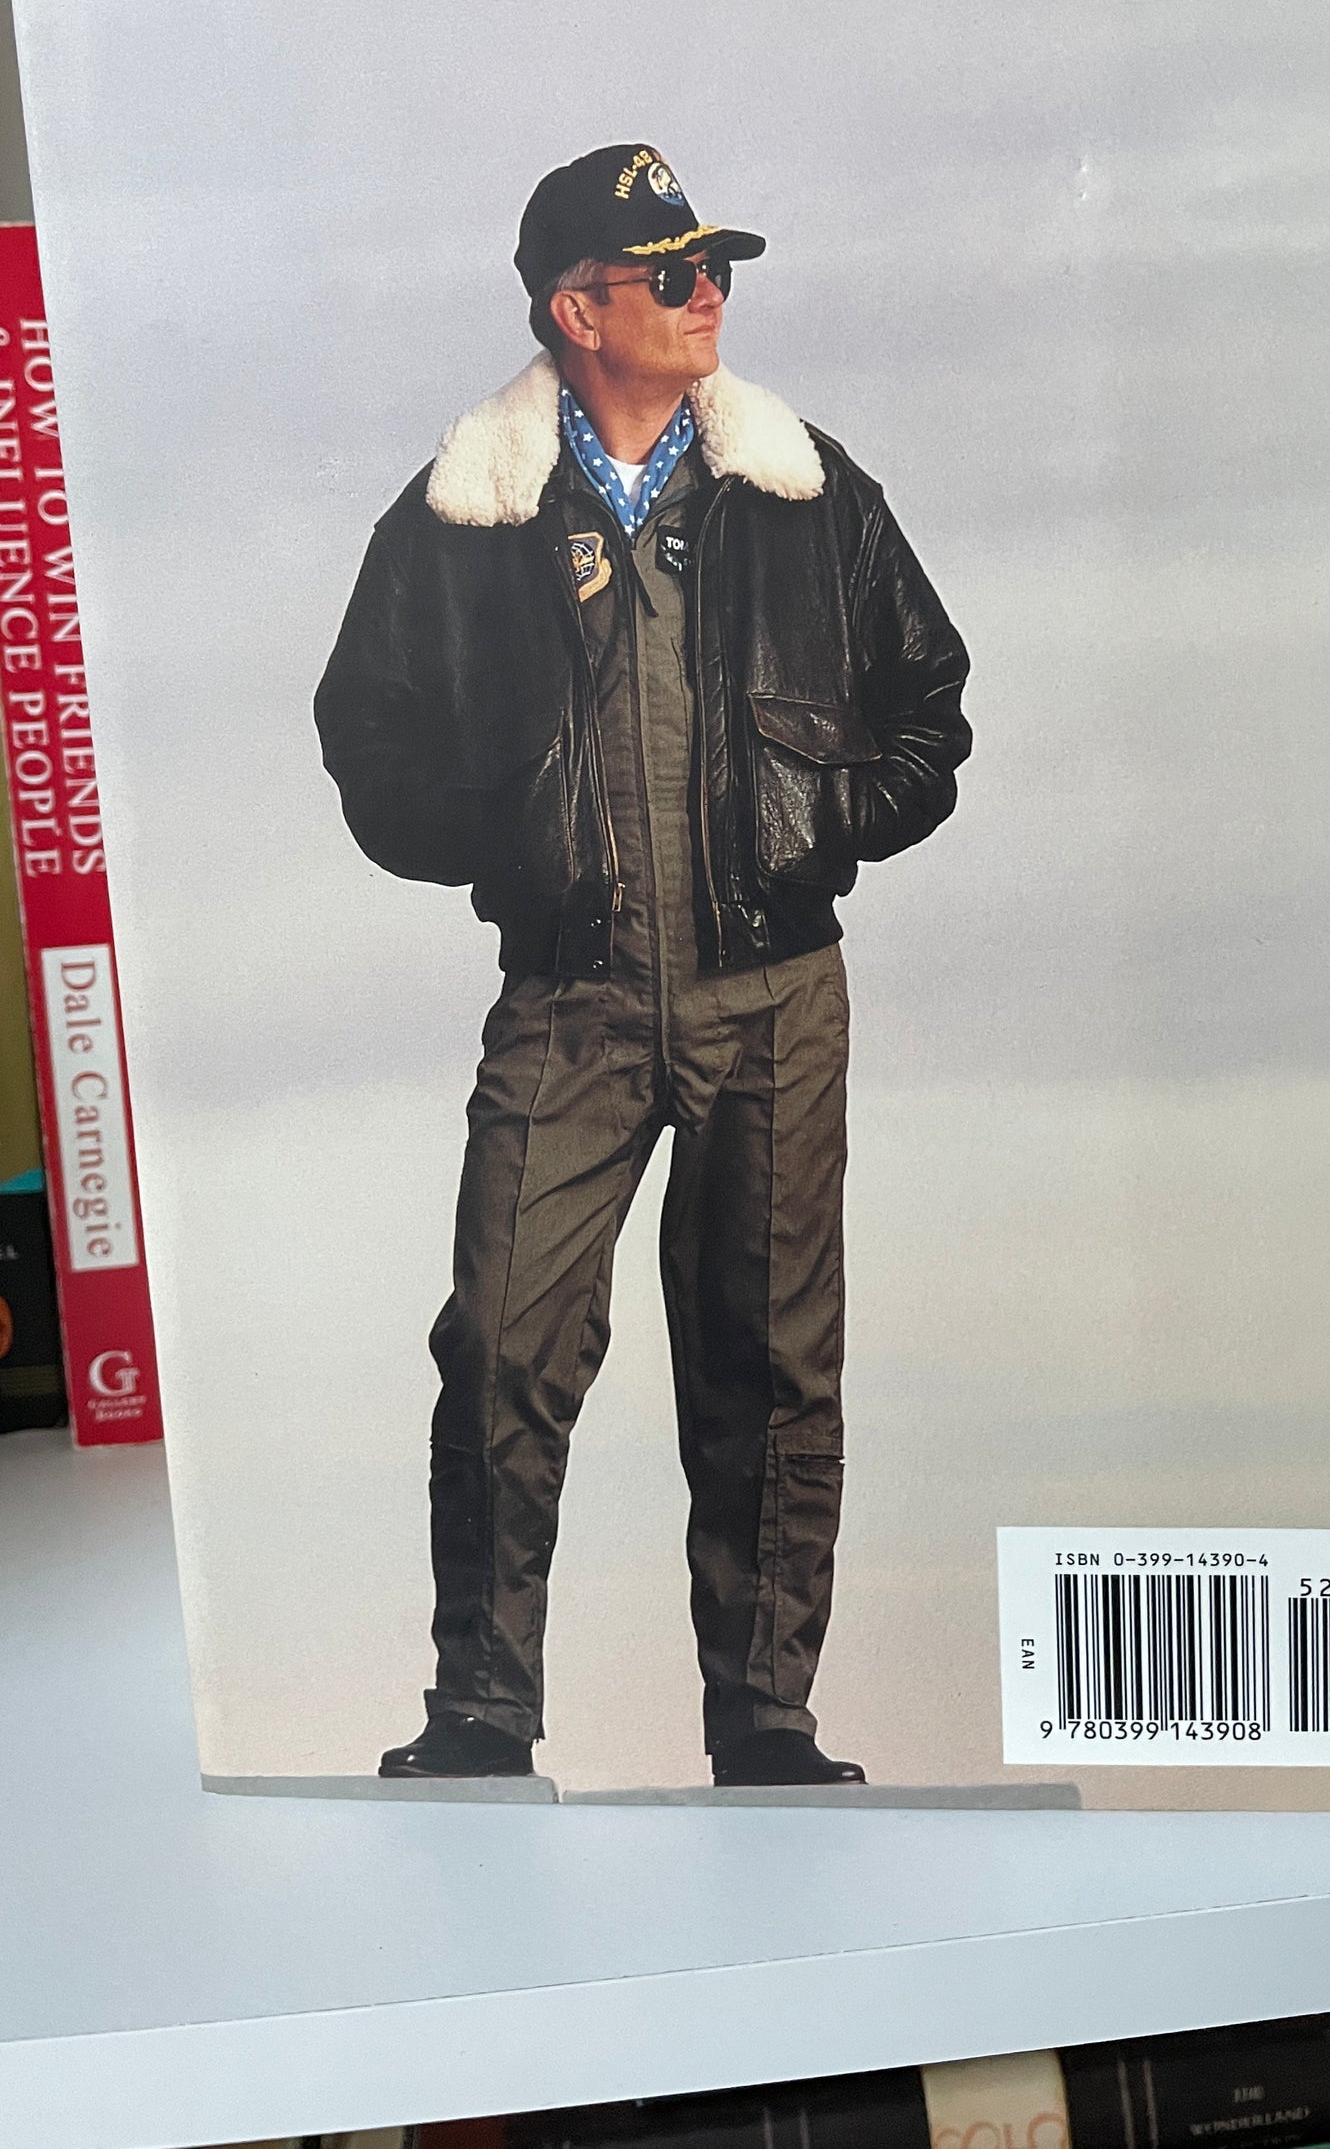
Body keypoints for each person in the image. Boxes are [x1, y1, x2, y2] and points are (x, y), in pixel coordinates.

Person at [314, 142, 970, 1787]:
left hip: (775, 1000)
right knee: (500, 1344)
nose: (708, 296)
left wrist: (821, 829)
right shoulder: (465, 513)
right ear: (576, 311)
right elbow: (366, 729)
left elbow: (929, 702)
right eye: (672, 275)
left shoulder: (806, 491)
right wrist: (506, 844)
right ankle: (480, 1717)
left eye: (714, 268)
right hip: (570, 998)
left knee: (771, 1362)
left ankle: (766, 1726)